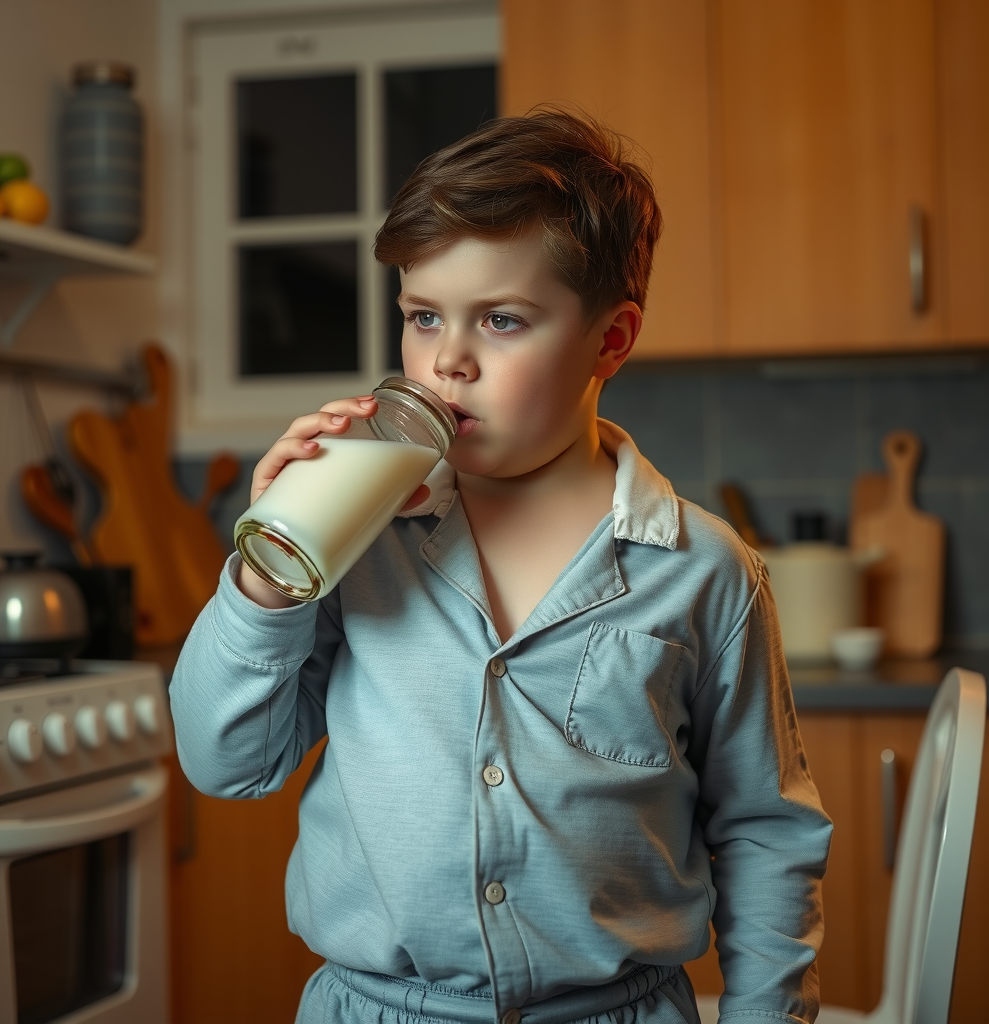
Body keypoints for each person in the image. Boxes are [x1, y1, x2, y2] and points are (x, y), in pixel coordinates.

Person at [170, 109, 832, 1024]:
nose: (448, 360)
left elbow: (764, 831)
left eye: (504, 320)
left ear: (611, 340)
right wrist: (265, 577)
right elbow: (223, 762)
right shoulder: (350, 535)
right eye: (422, 316)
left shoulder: (705, 571)